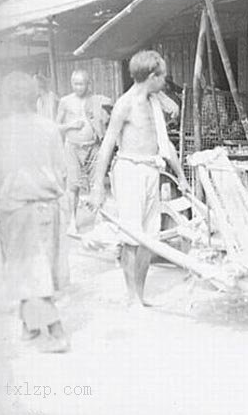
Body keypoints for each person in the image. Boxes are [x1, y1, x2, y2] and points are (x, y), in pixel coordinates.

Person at [89, 51, 189, 306]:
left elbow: (165, 145)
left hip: (150, 170)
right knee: (131, 237)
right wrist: (97, 187)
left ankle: (141, 296)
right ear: (152, 77)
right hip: (130, 171)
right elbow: (107, 146)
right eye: (163, 75)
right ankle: (132, 298)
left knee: (149, 237)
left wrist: (182, 178)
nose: (165, 79)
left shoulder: (154, 100)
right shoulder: (125, 104)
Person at [0, 72, 70, 352]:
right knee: (39, 266)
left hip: (17, 209)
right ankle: (28, 324)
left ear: (7, 99)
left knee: (27, 269)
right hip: (48, 207)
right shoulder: (50, 128)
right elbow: (61, 172)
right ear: (35, 97)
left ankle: (56, 332)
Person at [56, 70, 112, 233]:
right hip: (73, 147)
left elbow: (108, 115)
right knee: (73, 186)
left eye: (82, 84)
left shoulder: (97, 100)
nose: (78, 87)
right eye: (75, 83)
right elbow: (56, 126)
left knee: (97, 183)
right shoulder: (65, 101)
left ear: (89, 84)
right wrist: (70, 126)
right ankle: (72, 222)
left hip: (93, 147)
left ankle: (98, 220)